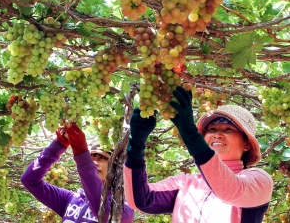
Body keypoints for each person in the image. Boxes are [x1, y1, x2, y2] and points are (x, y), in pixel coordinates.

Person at [123, 86, 273, 222]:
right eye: (212, 129)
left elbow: (229, 190)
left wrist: (191, 134)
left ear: (246, 144)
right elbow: (141, 200)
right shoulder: (185, 183)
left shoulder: (258, 180)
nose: (217, 134)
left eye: (228, 129)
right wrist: (136, 144)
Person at [21, 122, 134, 222]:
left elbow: (104, 213)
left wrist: (81, 153)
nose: (94, 163)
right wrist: (58, 146)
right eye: (90, 159)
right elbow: (30, 180)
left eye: (101, 158)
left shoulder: (124, 209)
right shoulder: (71, 199)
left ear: (115, 168)